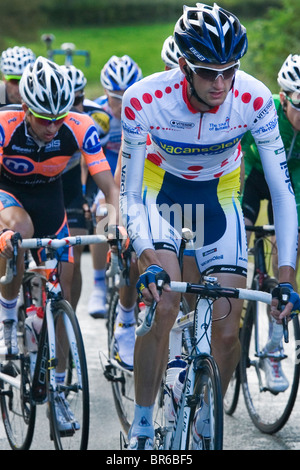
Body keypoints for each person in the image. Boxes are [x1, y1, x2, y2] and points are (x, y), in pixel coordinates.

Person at [119, 3, 300, 450]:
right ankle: (142, 425)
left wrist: (285, 277)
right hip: (160, 198)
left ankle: (204, 418)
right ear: (183, 65)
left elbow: (282, 193)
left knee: (225, 331)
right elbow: (129, 192)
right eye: (207, 72)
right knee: (164, 304)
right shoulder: (144, 98)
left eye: (229, 70)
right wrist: (145, 256)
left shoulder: (254, 98)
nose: (220, 83)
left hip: (219, 199)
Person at [0, 56, 120, 431]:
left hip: (50, 199)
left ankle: (58, 390)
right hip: (9, 197)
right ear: (25, 109)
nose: (52, 127)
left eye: (59, 118)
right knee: (19, 233)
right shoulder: (4, 126)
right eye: (42, 119)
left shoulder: (79, 126)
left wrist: (113, 224)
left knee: (61, 295)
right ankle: (6, 322)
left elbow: (108, 185)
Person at [241, 53, 300, 393]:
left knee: (288, 248)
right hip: (253, 178)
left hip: (289, 184)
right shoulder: (265, 118)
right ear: (283, 97)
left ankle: (274, 349)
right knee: (239, 231)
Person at [86, 55, 142, 319]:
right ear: (106, 93)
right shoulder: (96, 114)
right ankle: (98, 284)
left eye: (127, 96)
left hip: (136, 171)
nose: (121, 104)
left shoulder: (146, 108)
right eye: (115, 97)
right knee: (102, 211)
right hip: (106, 170)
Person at [60, 64, 112, 312]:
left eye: (78, 99)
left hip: (72, 178)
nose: (73, 107)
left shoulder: (97, 118)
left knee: (74, 250)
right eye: (66, 100)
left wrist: (87, 197)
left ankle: (67, 318)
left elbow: (90, 164)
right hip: (41, 181)